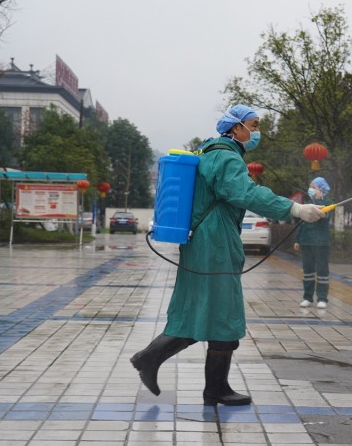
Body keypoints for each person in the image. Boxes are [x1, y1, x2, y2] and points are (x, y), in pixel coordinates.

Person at [131, 104, 325, 406]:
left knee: (207, 312)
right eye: (254, 124)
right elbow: (246, 193)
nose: (257, 130)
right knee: (222, 314)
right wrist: (294, 208)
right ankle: (167, 366)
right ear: (235, 128)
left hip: (206, 242)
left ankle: (202, 382)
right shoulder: (225, 157)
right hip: (215, 244)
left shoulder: (210, 154)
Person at [294, 177, 333, 309]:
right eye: (310, 187)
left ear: (321, 190)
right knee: (307, 271)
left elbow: (325, 216)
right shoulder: (308, 204)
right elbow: (302, 224)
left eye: (314, 187)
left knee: (322, 271)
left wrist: (320, 201)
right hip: (306, 242)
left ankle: (322, 298)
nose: (310, 189)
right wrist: (298, 240)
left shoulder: (327, 202)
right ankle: (307, 297)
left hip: (322, 243)